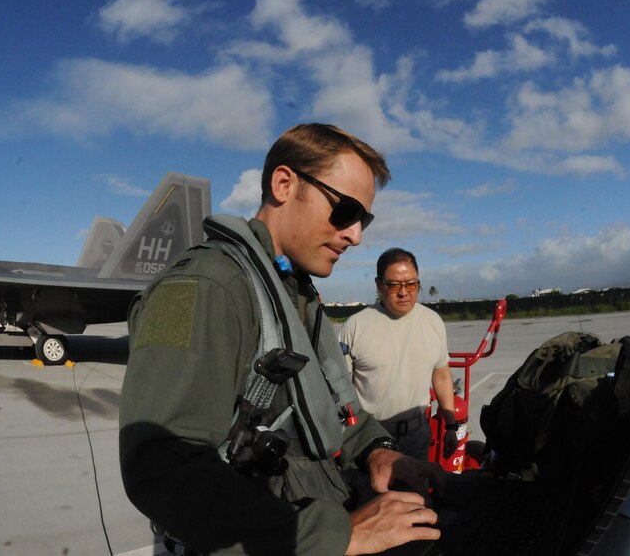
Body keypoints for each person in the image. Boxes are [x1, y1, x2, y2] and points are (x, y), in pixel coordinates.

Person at [119, 123, 445, 556]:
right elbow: (162, 471)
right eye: (345, 211)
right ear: (285, 184)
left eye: (363, 219)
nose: (356, 235)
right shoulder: (207, 288)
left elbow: (322, 411)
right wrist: (337, 535)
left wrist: (378, 451)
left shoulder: (293, 292)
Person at [340, 248, 457, 465]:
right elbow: (340, 388)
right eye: (394, 285)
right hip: (371, 438)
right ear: (378, 284)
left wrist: (451, 426)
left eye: (411, 284)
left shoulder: (433, 322)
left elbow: (441, 376)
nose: (404, 292)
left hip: (417, 436)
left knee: (414, 497)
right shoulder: (356, 326)